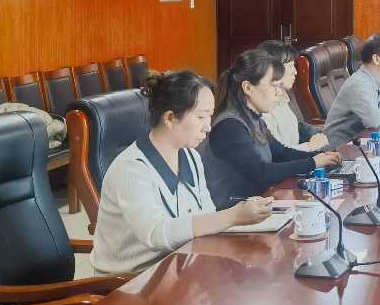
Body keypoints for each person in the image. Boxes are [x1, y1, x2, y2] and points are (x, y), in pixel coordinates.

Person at [90, 71, 275, 274]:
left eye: (210, 116)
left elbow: (206, 216)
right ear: (170, 117)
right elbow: (155, 234)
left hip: (181, 265)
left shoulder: (190, 156)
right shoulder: (131, 168)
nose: (208, 127)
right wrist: (233, 216)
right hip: (132, 281)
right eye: (201, 116)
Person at [202, 50, 342, 209]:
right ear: (248, 87)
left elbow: (282, 153)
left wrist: (321, 156)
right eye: (274, 86)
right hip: (236, 212)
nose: (279, 92)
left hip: (259, 203)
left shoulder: (253, 117)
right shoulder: (230, 126)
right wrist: (312, 163)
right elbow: (262, 173)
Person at [324, 33, 380, 146]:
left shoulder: (376, 81)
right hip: (338, 150)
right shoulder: (359, 84)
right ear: (376, 59)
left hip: (360, 145)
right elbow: (375, 123)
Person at [257, 40, 328, 151]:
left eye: (294, 65)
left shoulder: (282, 98)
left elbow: (294, 132)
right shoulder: (263, 108)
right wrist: (311, 146)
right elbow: (278, 154)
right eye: (290, 66)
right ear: (273, 69)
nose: (295, 72)